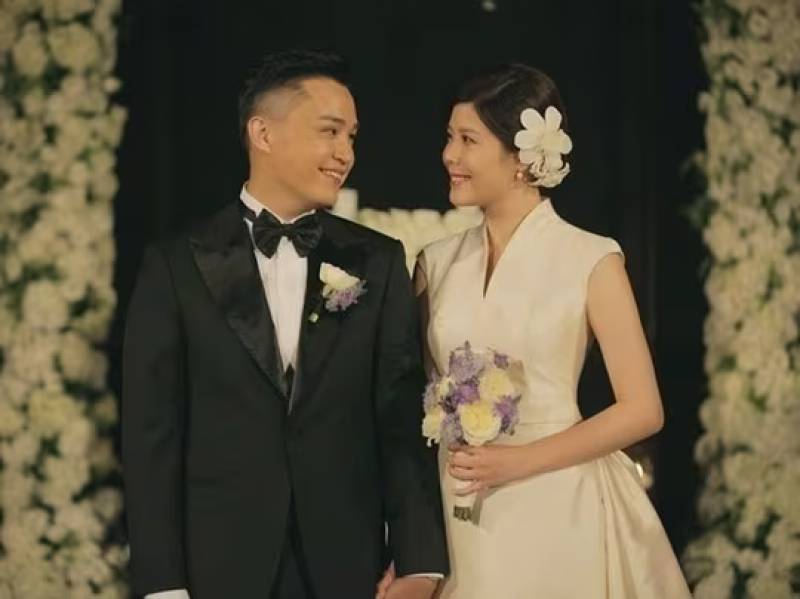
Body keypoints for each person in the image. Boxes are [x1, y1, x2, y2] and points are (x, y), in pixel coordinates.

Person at [122, 49, 448, 599]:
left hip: (348, 567)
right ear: (263, 133)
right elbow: (150, 435)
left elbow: (399, 417)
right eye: (329, 132)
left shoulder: (377, 260)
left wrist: (420, 561)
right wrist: (162, 584)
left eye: (352, 137)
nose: (345, 154)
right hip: (217, 569)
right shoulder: (175, 265)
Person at [415, 64, 691, 597]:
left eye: (468, 140)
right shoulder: (436, 262)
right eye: (449, 137)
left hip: (558, 498)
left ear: (520, 158)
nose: (449, 155)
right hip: (460, 503)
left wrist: (519, 461)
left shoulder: (591, 258)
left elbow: (643, 408)